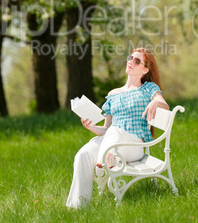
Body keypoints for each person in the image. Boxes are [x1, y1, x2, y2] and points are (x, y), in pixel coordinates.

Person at [66, 47, 169, 209]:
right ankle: (78, 207)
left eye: (137, 61)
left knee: (116, 130)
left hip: (134, 144)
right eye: (130, 58)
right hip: (112, 141)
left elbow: (165, 106)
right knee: (83, 154)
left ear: (145, 69)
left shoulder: (148, 88)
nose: (131, 62)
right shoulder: (113, 94)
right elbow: (107, 130)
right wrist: (91, 127)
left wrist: (156, 101)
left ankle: (103, 162)